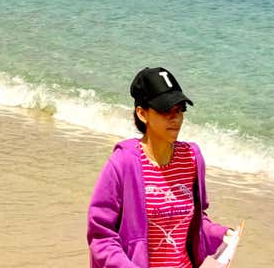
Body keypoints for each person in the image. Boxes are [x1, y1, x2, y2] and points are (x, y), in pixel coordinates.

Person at [86, 67, 232, 267]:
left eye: (180, 110)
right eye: (166, 110)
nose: (175, 118)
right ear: (142, 113)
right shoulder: (123, 164)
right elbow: (100, 235)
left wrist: (222, 234)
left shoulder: (192, 159)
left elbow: (197, 222)